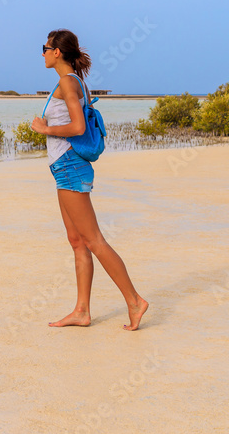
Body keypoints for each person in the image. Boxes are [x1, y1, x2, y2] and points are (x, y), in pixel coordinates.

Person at [31, 29, 149, 331]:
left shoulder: (68, 83)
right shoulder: (70, 82)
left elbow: (78, 125)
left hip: (70, 166)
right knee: (77, 241)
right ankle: (82, 311)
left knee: (93, 239)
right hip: (63, 167)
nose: (42, 53)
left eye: (44, 48)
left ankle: (135, 301)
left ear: (57, 52)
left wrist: (44, 130)